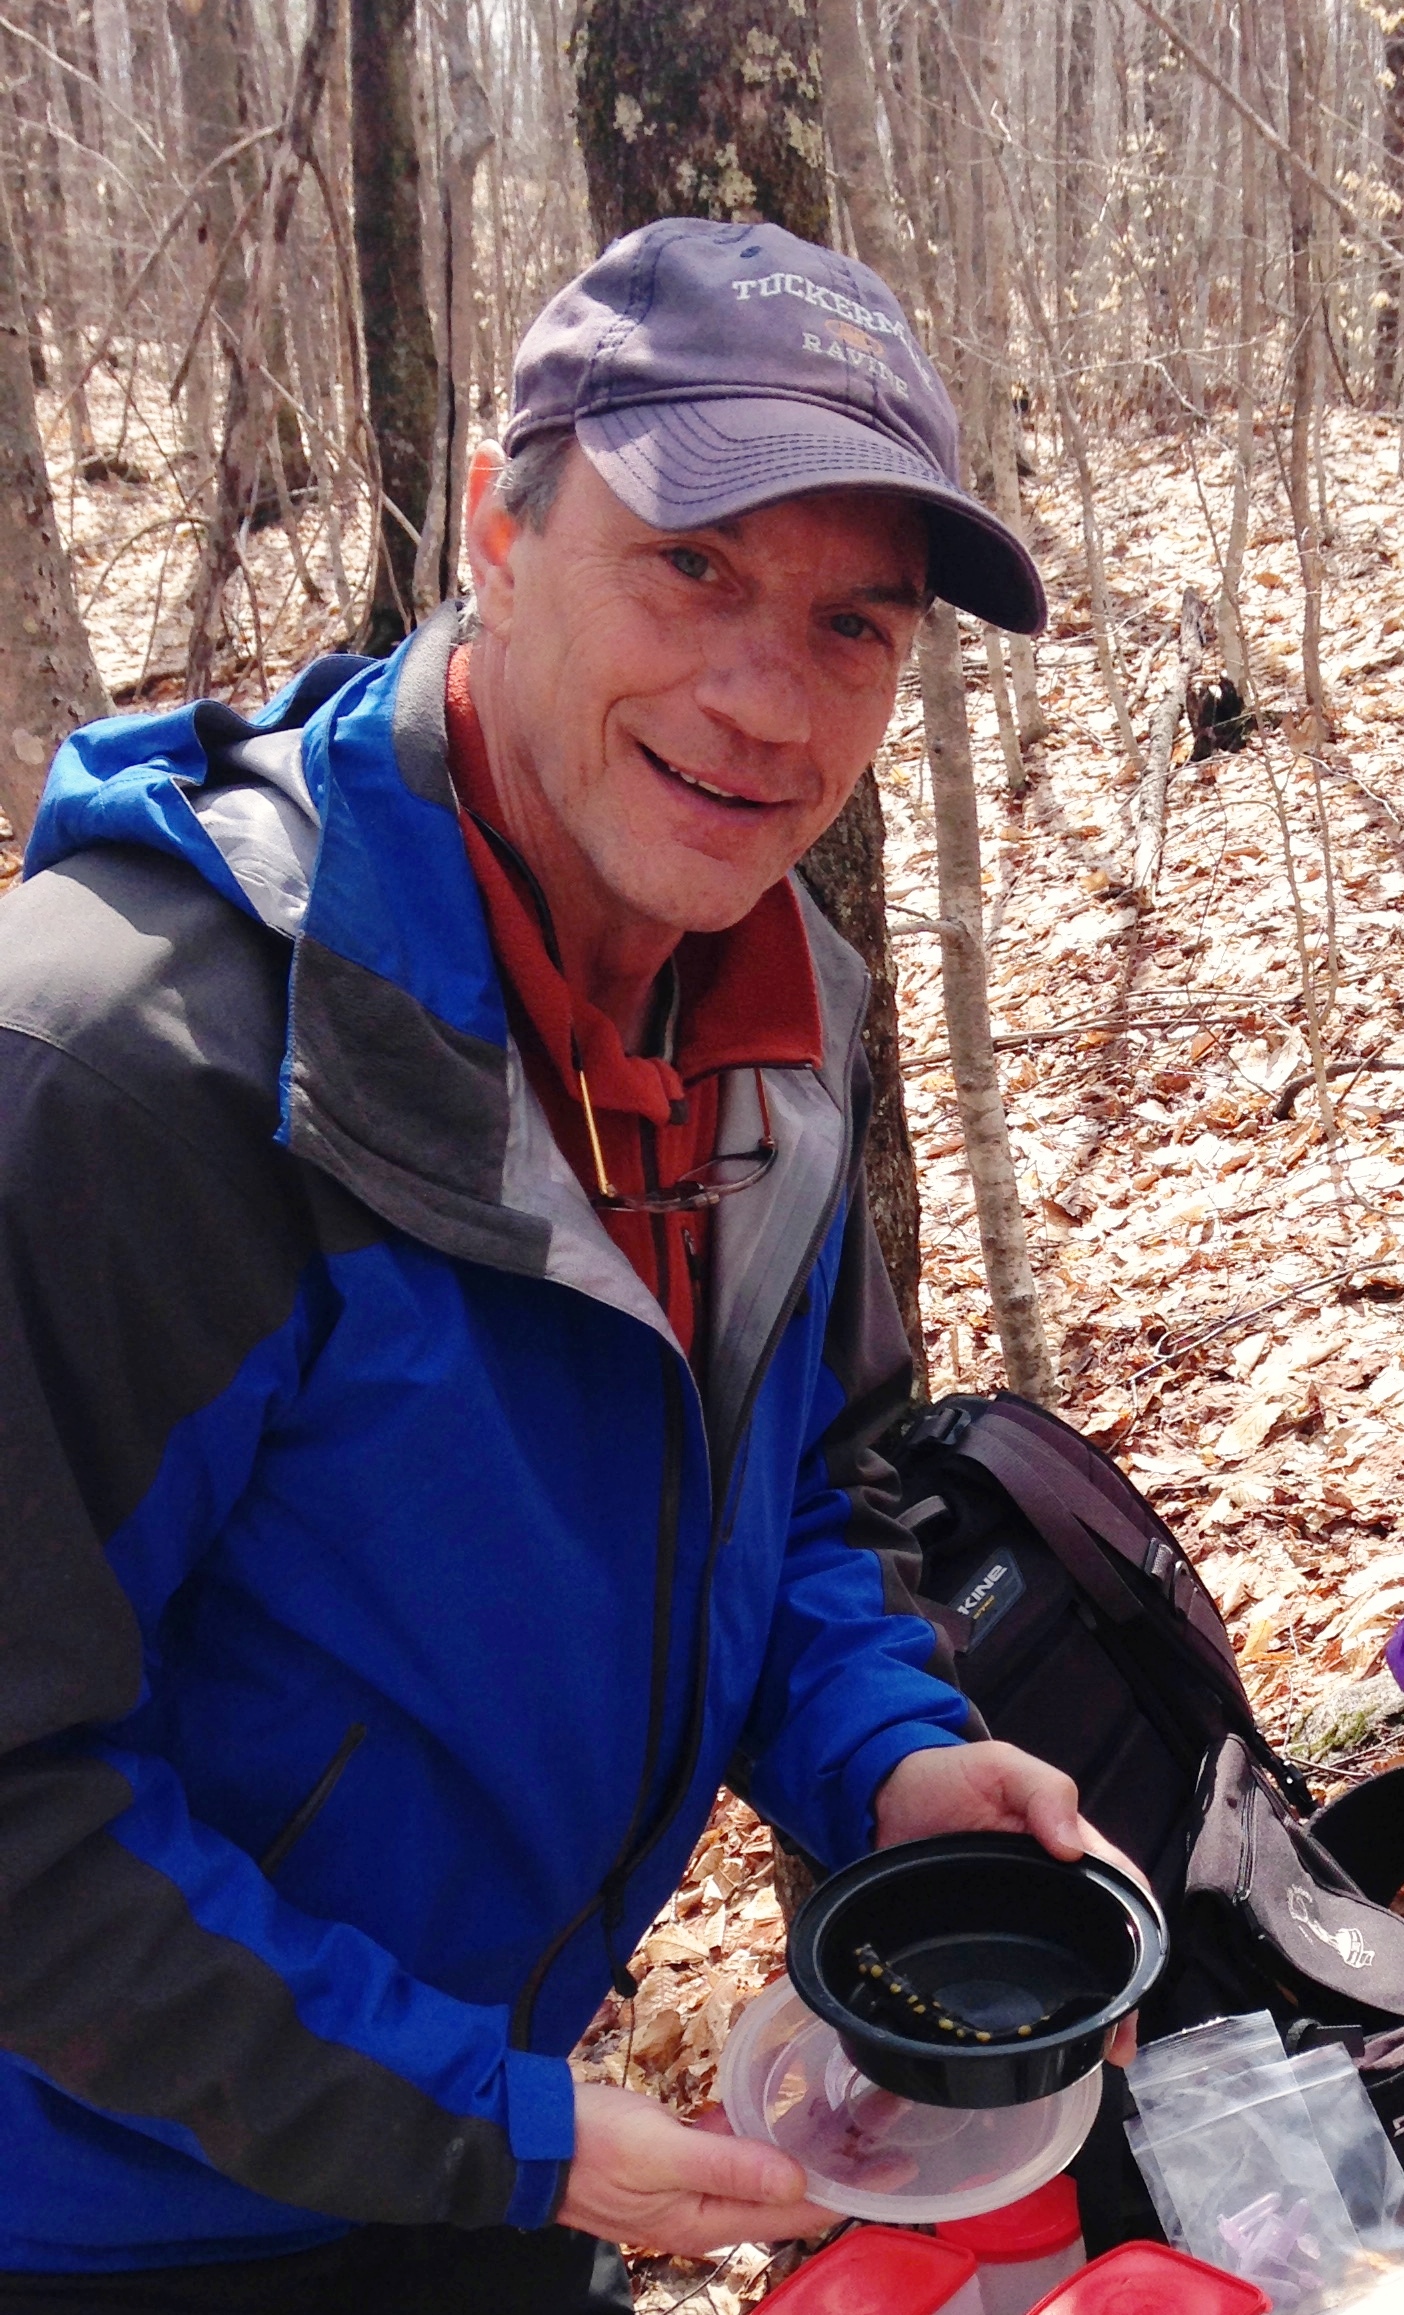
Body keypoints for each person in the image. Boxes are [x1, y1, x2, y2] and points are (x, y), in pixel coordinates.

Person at [0, 217, 1129, 2315]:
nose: (768, 699)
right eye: (691, 566)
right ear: (503, 535)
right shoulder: (126, 1068)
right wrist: (499, 2132)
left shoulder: (783, 1019)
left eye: (855, 623)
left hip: (468, 2145)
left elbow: (798, 1483)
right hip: (104, 2217)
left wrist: (880, 1741)